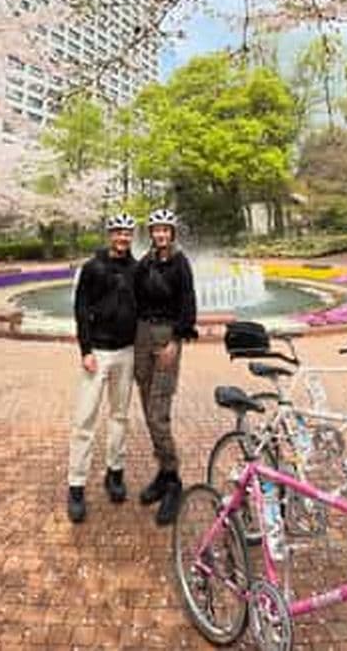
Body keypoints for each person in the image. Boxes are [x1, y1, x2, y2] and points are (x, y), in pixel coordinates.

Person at [66, 212, 138, 523]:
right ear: (110, 235)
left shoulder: (136, 268)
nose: (123, 237)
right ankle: (76, 485)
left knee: (119, 416)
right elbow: (81, 309)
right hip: (98, 352)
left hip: (126, 352)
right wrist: (85, 350)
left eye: (127, 233)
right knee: (85, 419)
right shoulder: (92, 267)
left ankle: (115, 472)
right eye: (118, 232)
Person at [134, 207, 198, 526]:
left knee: (159, 412)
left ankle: (173, 480)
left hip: (165, 337)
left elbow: (188, 302)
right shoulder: (145, 262)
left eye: (165, 230)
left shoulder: (180, 263)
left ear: (172, 233)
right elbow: (131, 297)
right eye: (156, 229)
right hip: (142, 337)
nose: (160, 234)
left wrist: (176, 339)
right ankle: (162, 472)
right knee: (148, 409)